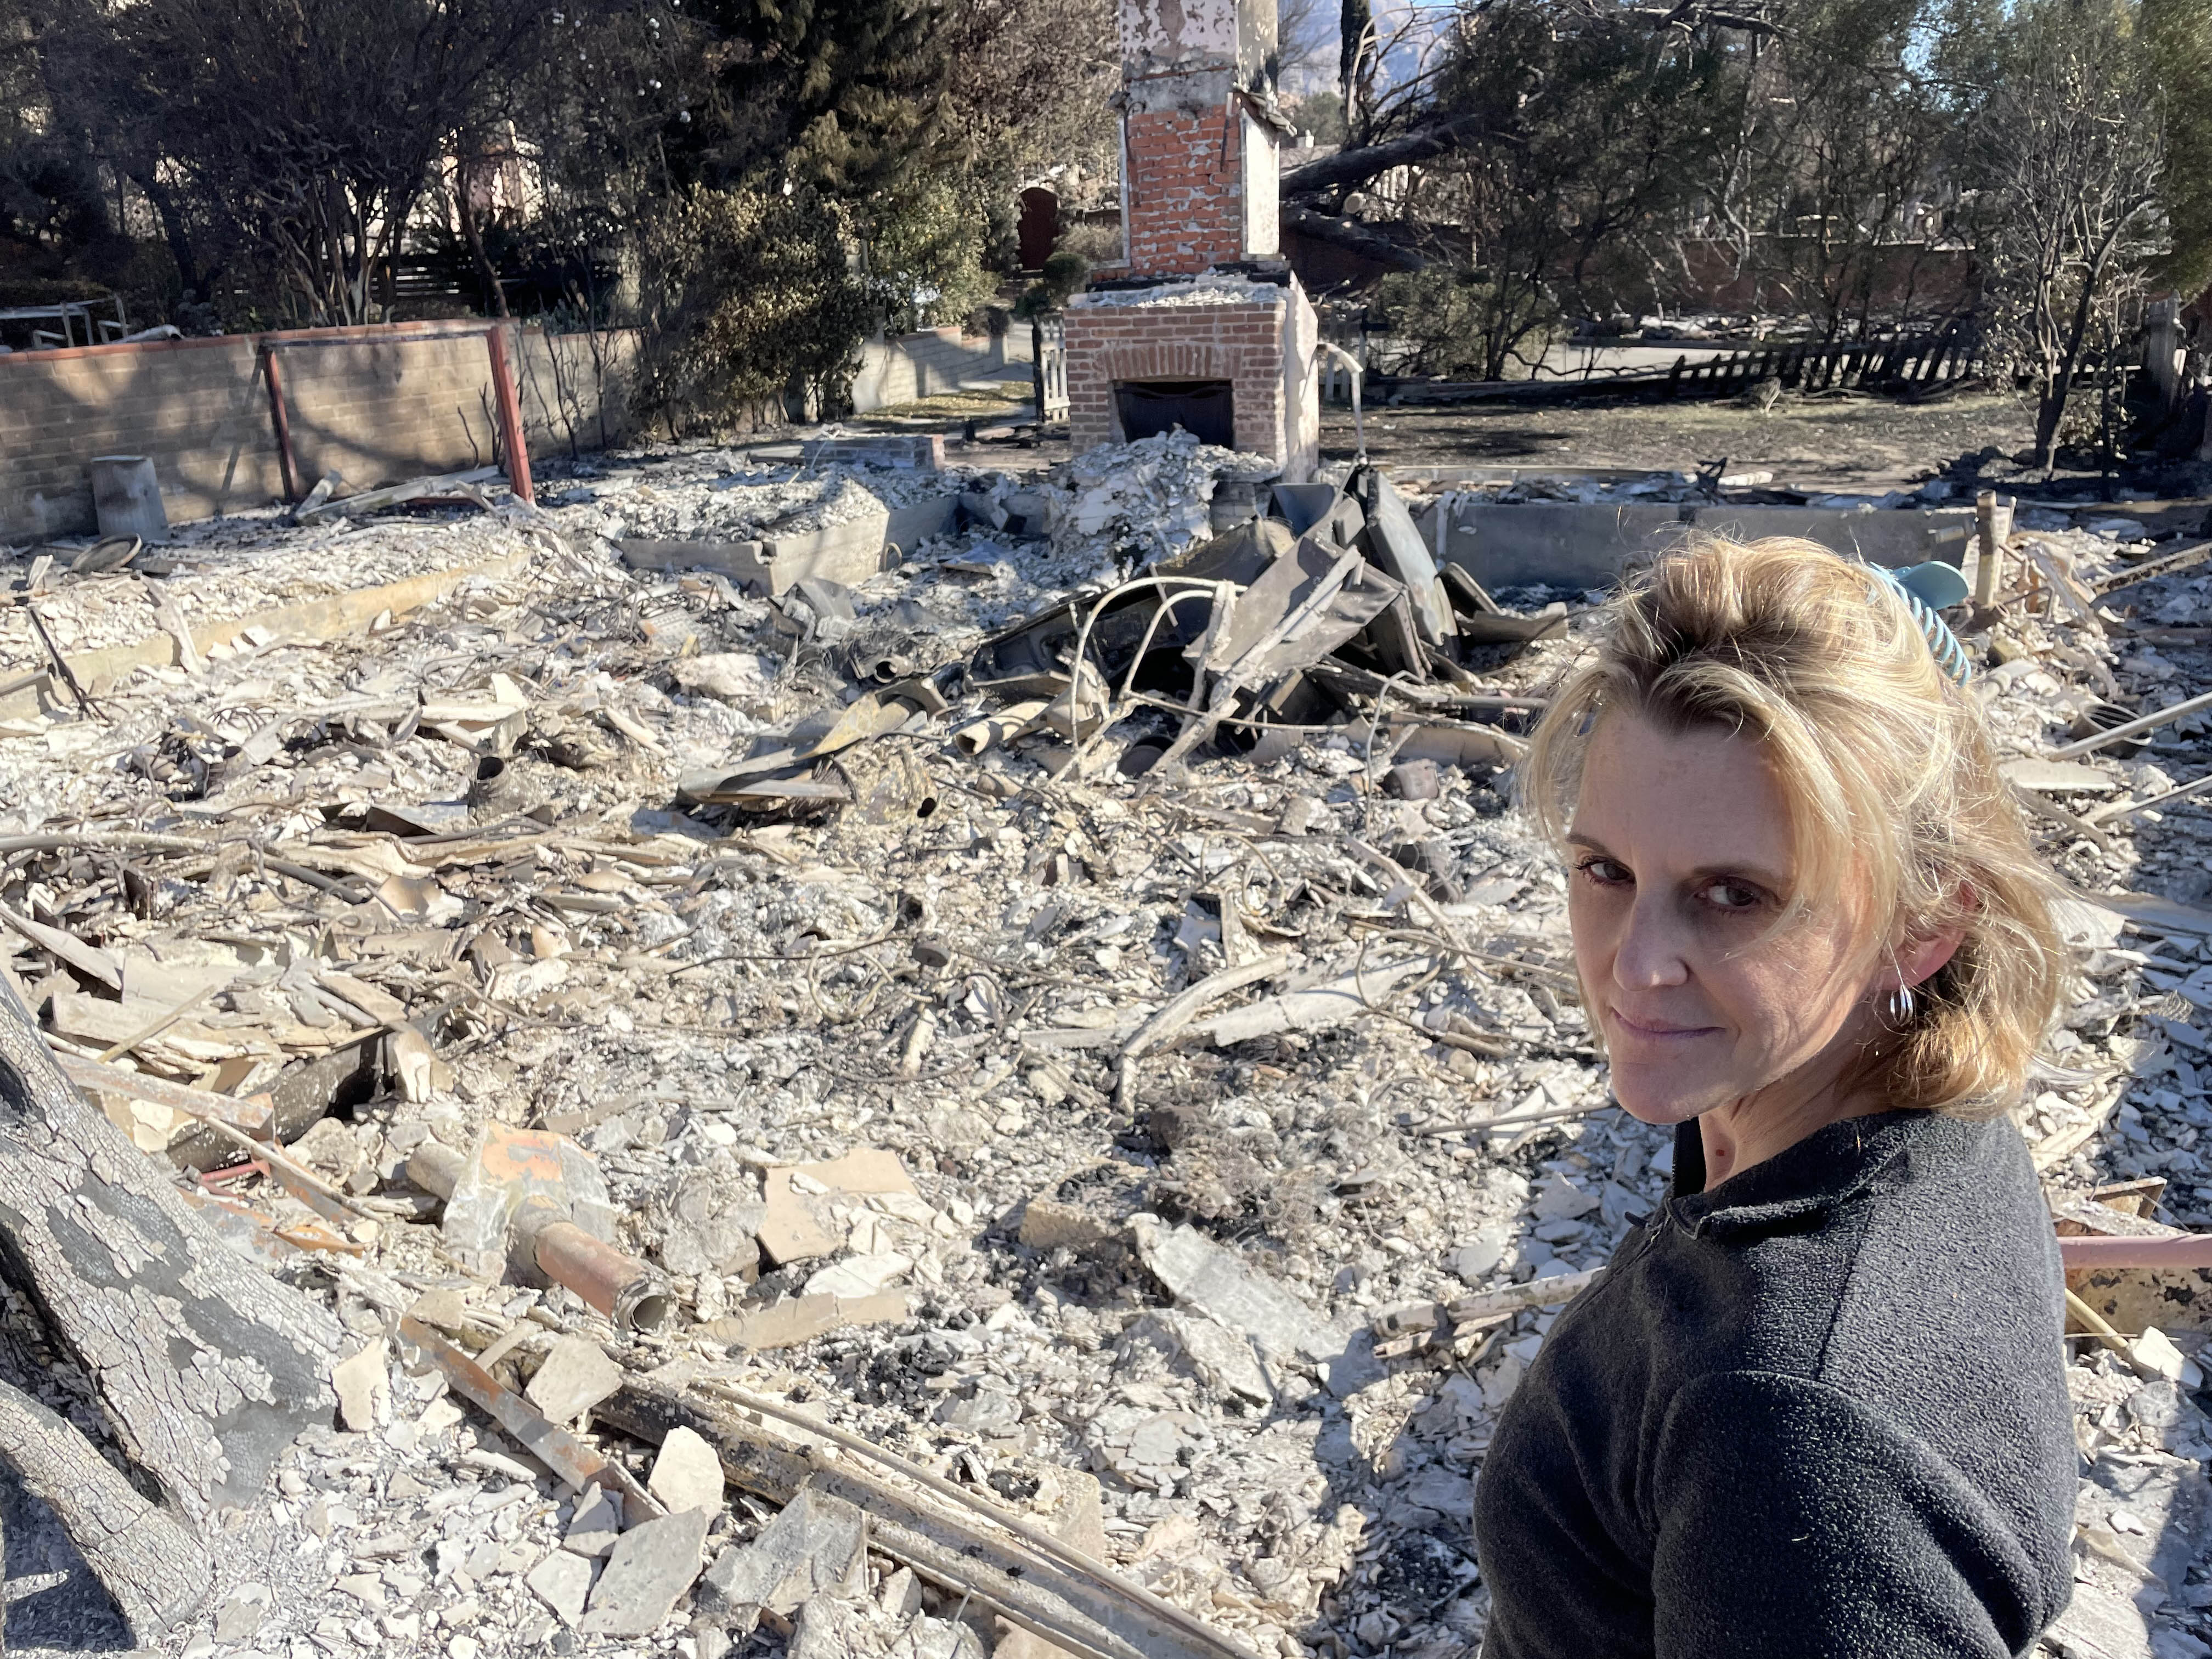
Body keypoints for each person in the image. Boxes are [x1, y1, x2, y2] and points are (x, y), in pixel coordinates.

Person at [1471, 536, 2078, 1657]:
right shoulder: (1880, 1121)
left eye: (1734, 895)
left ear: (1924, 922)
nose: (1632, 967)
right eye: (1605, 870)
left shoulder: (1801, 1438)